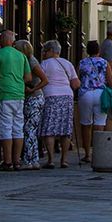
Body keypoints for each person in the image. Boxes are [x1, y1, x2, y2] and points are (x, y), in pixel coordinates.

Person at [0, 30, 32, 171]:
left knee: (5, 128)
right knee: (17, 129)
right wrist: (18, 82)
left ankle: (7, 162)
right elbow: (29, 78)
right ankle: (17, 161)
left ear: (2, 39)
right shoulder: (21, 56)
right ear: (12, 41)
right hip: (19, 95)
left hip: (4, 95)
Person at [40, 40, 80, 169]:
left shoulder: (45, 64)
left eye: (45, 51)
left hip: (50, 96)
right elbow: (76, 84)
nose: (43, 54)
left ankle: (51, 160)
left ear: (51, 51)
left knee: (49, 128)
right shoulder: (67, 64)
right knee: (65, 129)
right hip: (66, 96)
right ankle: (64, 160)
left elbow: (40, 79)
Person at [77, 40, 112, 162]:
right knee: (99, 124)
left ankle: (87, 154)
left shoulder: (82, 62)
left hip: (85, 94)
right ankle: (98, 153)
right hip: (100, 94)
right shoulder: (104, 63)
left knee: (85, 124)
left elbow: (76, 78)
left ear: (87, 51)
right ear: (98, 50)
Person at [14, 39, 48, 170]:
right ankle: (33, 159)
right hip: (32, 98)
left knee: (29, 129)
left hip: (34, 98)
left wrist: (32, 89)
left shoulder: (32, 61)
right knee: (30, 129)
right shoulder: (26, 60)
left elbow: (45, 80)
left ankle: (29, 160)